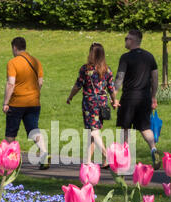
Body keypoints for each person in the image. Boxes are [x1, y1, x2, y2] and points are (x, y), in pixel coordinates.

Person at [112, 29, 161, 170]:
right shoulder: (149, 57)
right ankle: (153, 148)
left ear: (132, 41)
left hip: (129, 98)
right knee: (145, 128)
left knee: (125, 128)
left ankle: (124, 160)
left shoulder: (125, 58)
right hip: (144, 98)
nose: (125, 40)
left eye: (127, 38)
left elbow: (119, 78)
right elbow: (155, 79)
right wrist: (153, 96)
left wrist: (114, 96)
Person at [2, 37, 50, 170]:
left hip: (17, 103)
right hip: (34, 102)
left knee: (11, 134)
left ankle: (12, 162)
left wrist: (6, 102)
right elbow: (40, 82)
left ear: (14, 48)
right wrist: (34, 93)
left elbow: (11, 83)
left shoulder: (13, 63)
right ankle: (44, 154)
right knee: (33, 130)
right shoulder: (36, 61)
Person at [66, 43, 116, 168]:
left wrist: (70, 96)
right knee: (93, 131)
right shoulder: (107, 69)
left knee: (93, 132)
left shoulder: (86, 69)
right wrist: (114, 101)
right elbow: (111, 88)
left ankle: (107, 155)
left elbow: (78, 85)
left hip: (90, 103)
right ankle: (87, 161)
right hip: (103, 102)